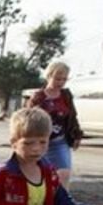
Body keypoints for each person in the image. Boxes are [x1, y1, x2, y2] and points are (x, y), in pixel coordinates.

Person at [25, 61, 83, 189]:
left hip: (59, 142)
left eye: (64, 79)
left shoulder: (66, 96)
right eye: (57, 79)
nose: (61, 82)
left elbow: (72, 116)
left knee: (64, 174)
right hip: (39, 143)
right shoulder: (38, 97)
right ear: (49, 76)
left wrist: (77, 135)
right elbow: (25, 119)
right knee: (38, 176)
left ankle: (62, 204)